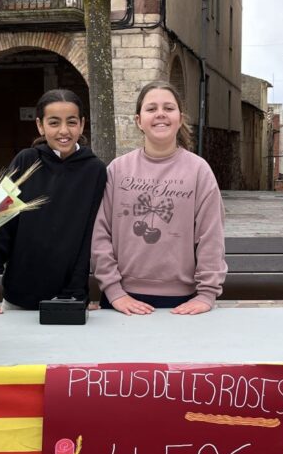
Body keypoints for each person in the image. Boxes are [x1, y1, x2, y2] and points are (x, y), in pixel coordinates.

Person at [0, 89, 107, 313]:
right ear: (40, 125)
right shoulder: (26, 161)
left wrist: (77, 294)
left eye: (71, 122)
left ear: (82, 124)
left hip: (70, 300)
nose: (64, 131)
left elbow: (89, 237)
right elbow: (1, 222)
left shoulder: (95, 170)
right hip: (19, 298)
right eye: (54, 123)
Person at [91, 80, 226, 315]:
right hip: (121, 299)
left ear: (180, 118)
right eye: (151, 108)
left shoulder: (198, 170)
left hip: (182, 301)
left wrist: (206, 294)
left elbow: (210, 235)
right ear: (138, 120)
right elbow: (100, 233)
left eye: (169, 108)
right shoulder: (117, 169)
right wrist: (114, 291)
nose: (160, 114)